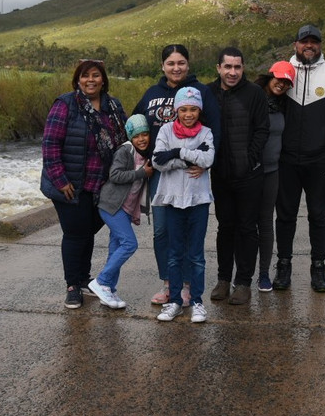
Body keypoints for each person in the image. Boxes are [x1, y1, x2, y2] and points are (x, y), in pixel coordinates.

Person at [133, 44, 221, 306]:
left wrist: (206, 164)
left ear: (188, 65)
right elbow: (135, 125)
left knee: (187, 230)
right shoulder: (152, 93)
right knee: (162, 231)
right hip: (161, 172)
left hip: (193, 173)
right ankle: (169, 283)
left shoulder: (202, 92)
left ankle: (185, 286)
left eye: (181, 62)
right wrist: (143, 158)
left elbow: (215, 129)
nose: (176, 67)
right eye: (171, 63)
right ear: (163, 66)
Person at [273, 25, 325, 292]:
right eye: (304, 41)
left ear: (320, 45)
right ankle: (283, 266)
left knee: (318, 215)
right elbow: (266, 103)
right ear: (295, 44)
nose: (309, 45)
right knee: (285, 216)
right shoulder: (284, 71)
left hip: (319, 159)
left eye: (314, 42)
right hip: (286, 159)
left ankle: (318, 268)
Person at [41, 59, 127, 309]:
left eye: (96, 75)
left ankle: (84, 278)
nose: (91, 80)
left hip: (101, 184)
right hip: (70, 184)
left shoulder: (113, 106)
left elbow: (126, 138)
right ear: (78, 80)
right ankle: (72, 286)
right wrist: (60, 180)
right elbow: (50, 145)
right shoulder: (66, 104)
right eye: (85, 75)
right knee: (75, 234)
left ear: (103, 79)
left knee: (87, 232)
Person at [206, 47, 269, 305]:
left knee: (247, 227)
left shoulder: (254, 94)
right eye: (228, 67)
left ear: (243, 69)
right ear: (218, 68)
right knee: (225, 226)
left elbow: (262, 130)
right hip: (220, 174)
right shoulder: (207, 93)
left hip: (249, 175)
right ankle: (223, 279)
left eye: (237, 67)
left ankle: (243, 282)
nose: (232, 72)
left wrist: (249, 161)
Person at [151, 86, 214, 323]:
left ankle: (197, 301)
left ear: (199, 110)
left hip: (198, 201)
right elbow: (158, 160)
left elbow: (209, 159)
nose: (189, 114)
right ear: (177, 110)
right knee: (175, 254)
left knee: (196, 255)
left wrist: (176, 153)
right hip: (173, 201)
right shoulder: (166, 131)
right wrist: (189, 156)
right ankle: (175, 301)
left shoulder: (206, 132)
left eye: (194, 109)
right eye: (184, 109)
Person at [89, 114, 153, 309]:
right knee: (129, 243)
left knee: (115, 249)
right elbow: (115, 175)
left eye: (145, 134)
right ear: (130, 137)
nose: (141, 139)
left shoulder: (147, 154)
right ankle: (101, 281)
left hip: (124, 208)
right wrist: (142, 173)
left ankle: (109, 290)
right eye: (136, 136)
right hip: (111, 206)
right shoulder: (125, 151)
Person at [253, 61, 294, 292]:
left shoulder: (283, 105)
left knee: (266, 223)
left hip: (272, 172)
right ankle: (243, 274)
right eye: (279, 78)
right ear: (269, 76)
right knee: (246, 224)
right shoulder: (252, 97)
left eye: (287, 81)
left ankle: (264, 274)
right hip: (251, 172)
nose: (282, 84)